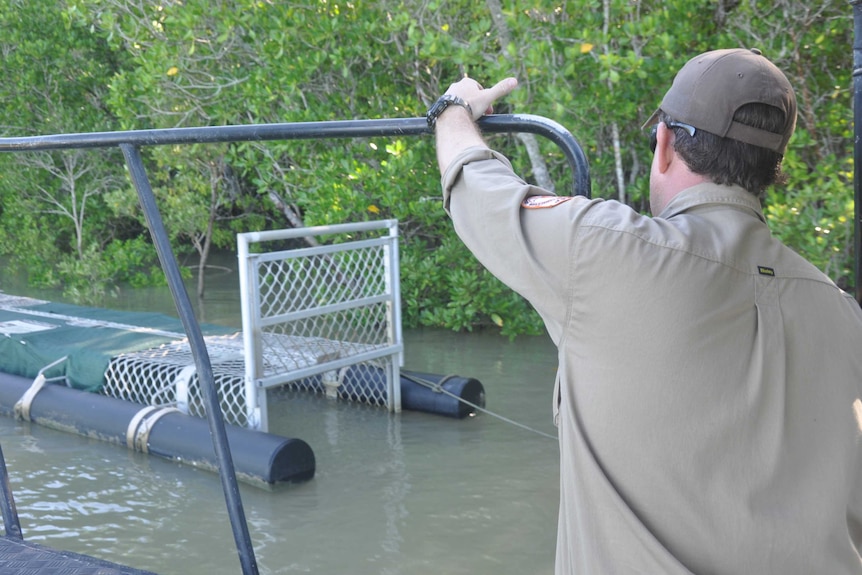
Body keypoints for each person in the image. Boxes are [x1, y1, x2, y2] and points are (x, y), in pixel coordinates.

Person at [428, 48, 862, 574]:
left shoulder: (607, 252)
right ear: (772, 170)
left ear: (664, 146)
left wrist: (453, 108)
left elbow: (474, 188)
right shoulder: (843, 313)